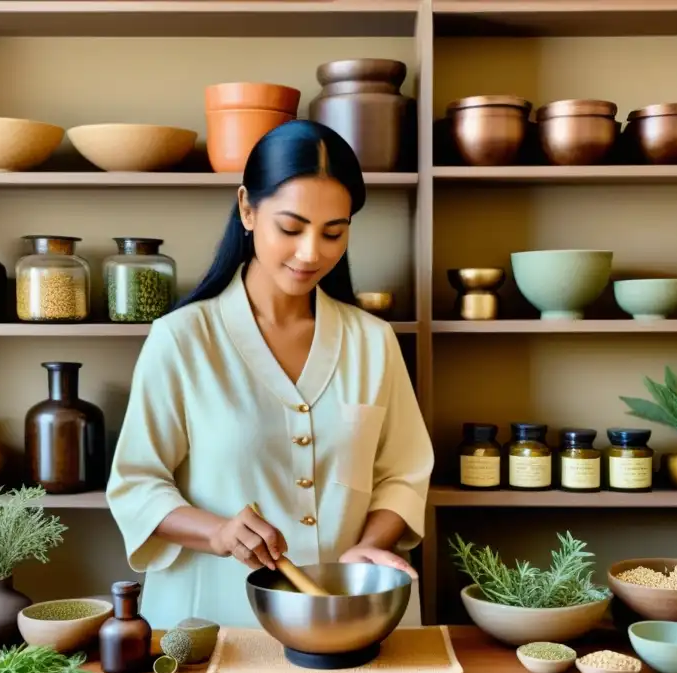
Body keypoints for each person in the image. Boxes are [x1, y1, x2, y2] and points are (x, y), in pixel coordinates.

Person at [106, 119, 435, 631]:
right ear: (247, 209)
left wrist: (371, 545)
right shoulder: (183, 339)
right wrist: (216, 533)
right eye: (291, 227)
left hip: (352, 615)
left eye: (334, 233)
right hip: (214, 621)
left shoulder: (374, 342)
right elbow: (136, 483)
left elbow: (402, 475)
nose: (312, 253)